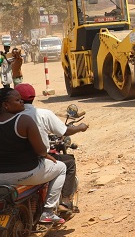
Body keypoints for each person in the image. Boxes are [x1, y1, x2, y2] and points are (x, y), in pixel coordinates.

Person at [0, 87, 67, 224]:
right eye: (17, 99)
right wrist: (45, 155)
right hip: (25, 173)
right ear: (5, 105)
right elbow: (40, 150)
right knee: (61, 167)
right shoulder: (24, 120)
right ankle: (48, 212)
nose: (22, 102)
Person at [16, 83, 89, 215]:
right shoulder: (42, 114)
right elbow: (64, 131)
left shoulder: (3, 117)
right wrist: (80, 127)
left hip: (8, 165)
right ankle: (64, 202)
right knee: (68, 163)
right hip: (33, 163)